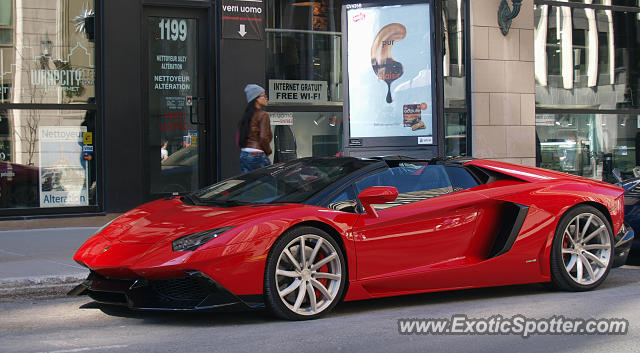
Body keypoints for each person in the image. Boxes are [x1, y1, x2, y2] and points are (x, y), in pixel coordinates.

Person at [238, 84, 273, 173]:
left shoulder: (246, 116)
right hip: (257, 155)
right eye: (264, 95)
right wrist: (268, 152)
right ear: (256, 99)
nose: (266, 98)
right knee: (268, 184)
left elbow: (239, 138)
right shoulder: (263, 115)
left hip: (244, 154)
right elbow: (264, 138)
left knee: (250, 185)